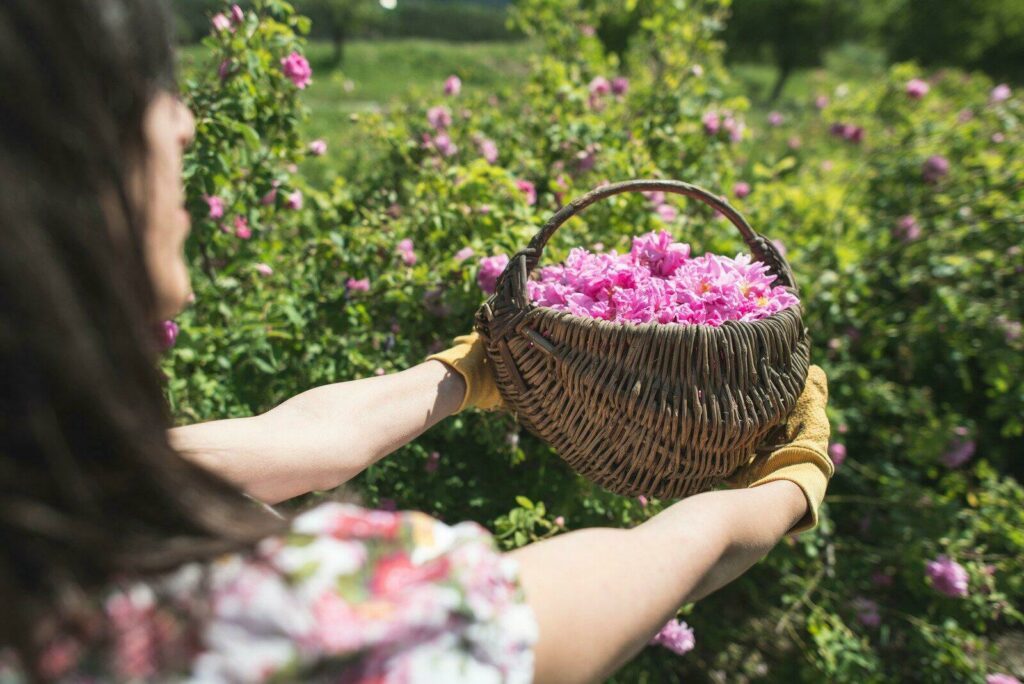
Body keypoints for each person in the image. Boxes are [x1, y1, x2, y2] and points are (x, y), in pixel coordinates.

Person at [0, 0, 834, 681]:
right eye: (146, 86)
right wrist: (785, 489)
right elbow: (590, 598)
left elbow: (288, 443)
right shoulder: (256, 621)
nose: (183, 122)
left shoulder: (54, 492)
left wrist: (466, 374)